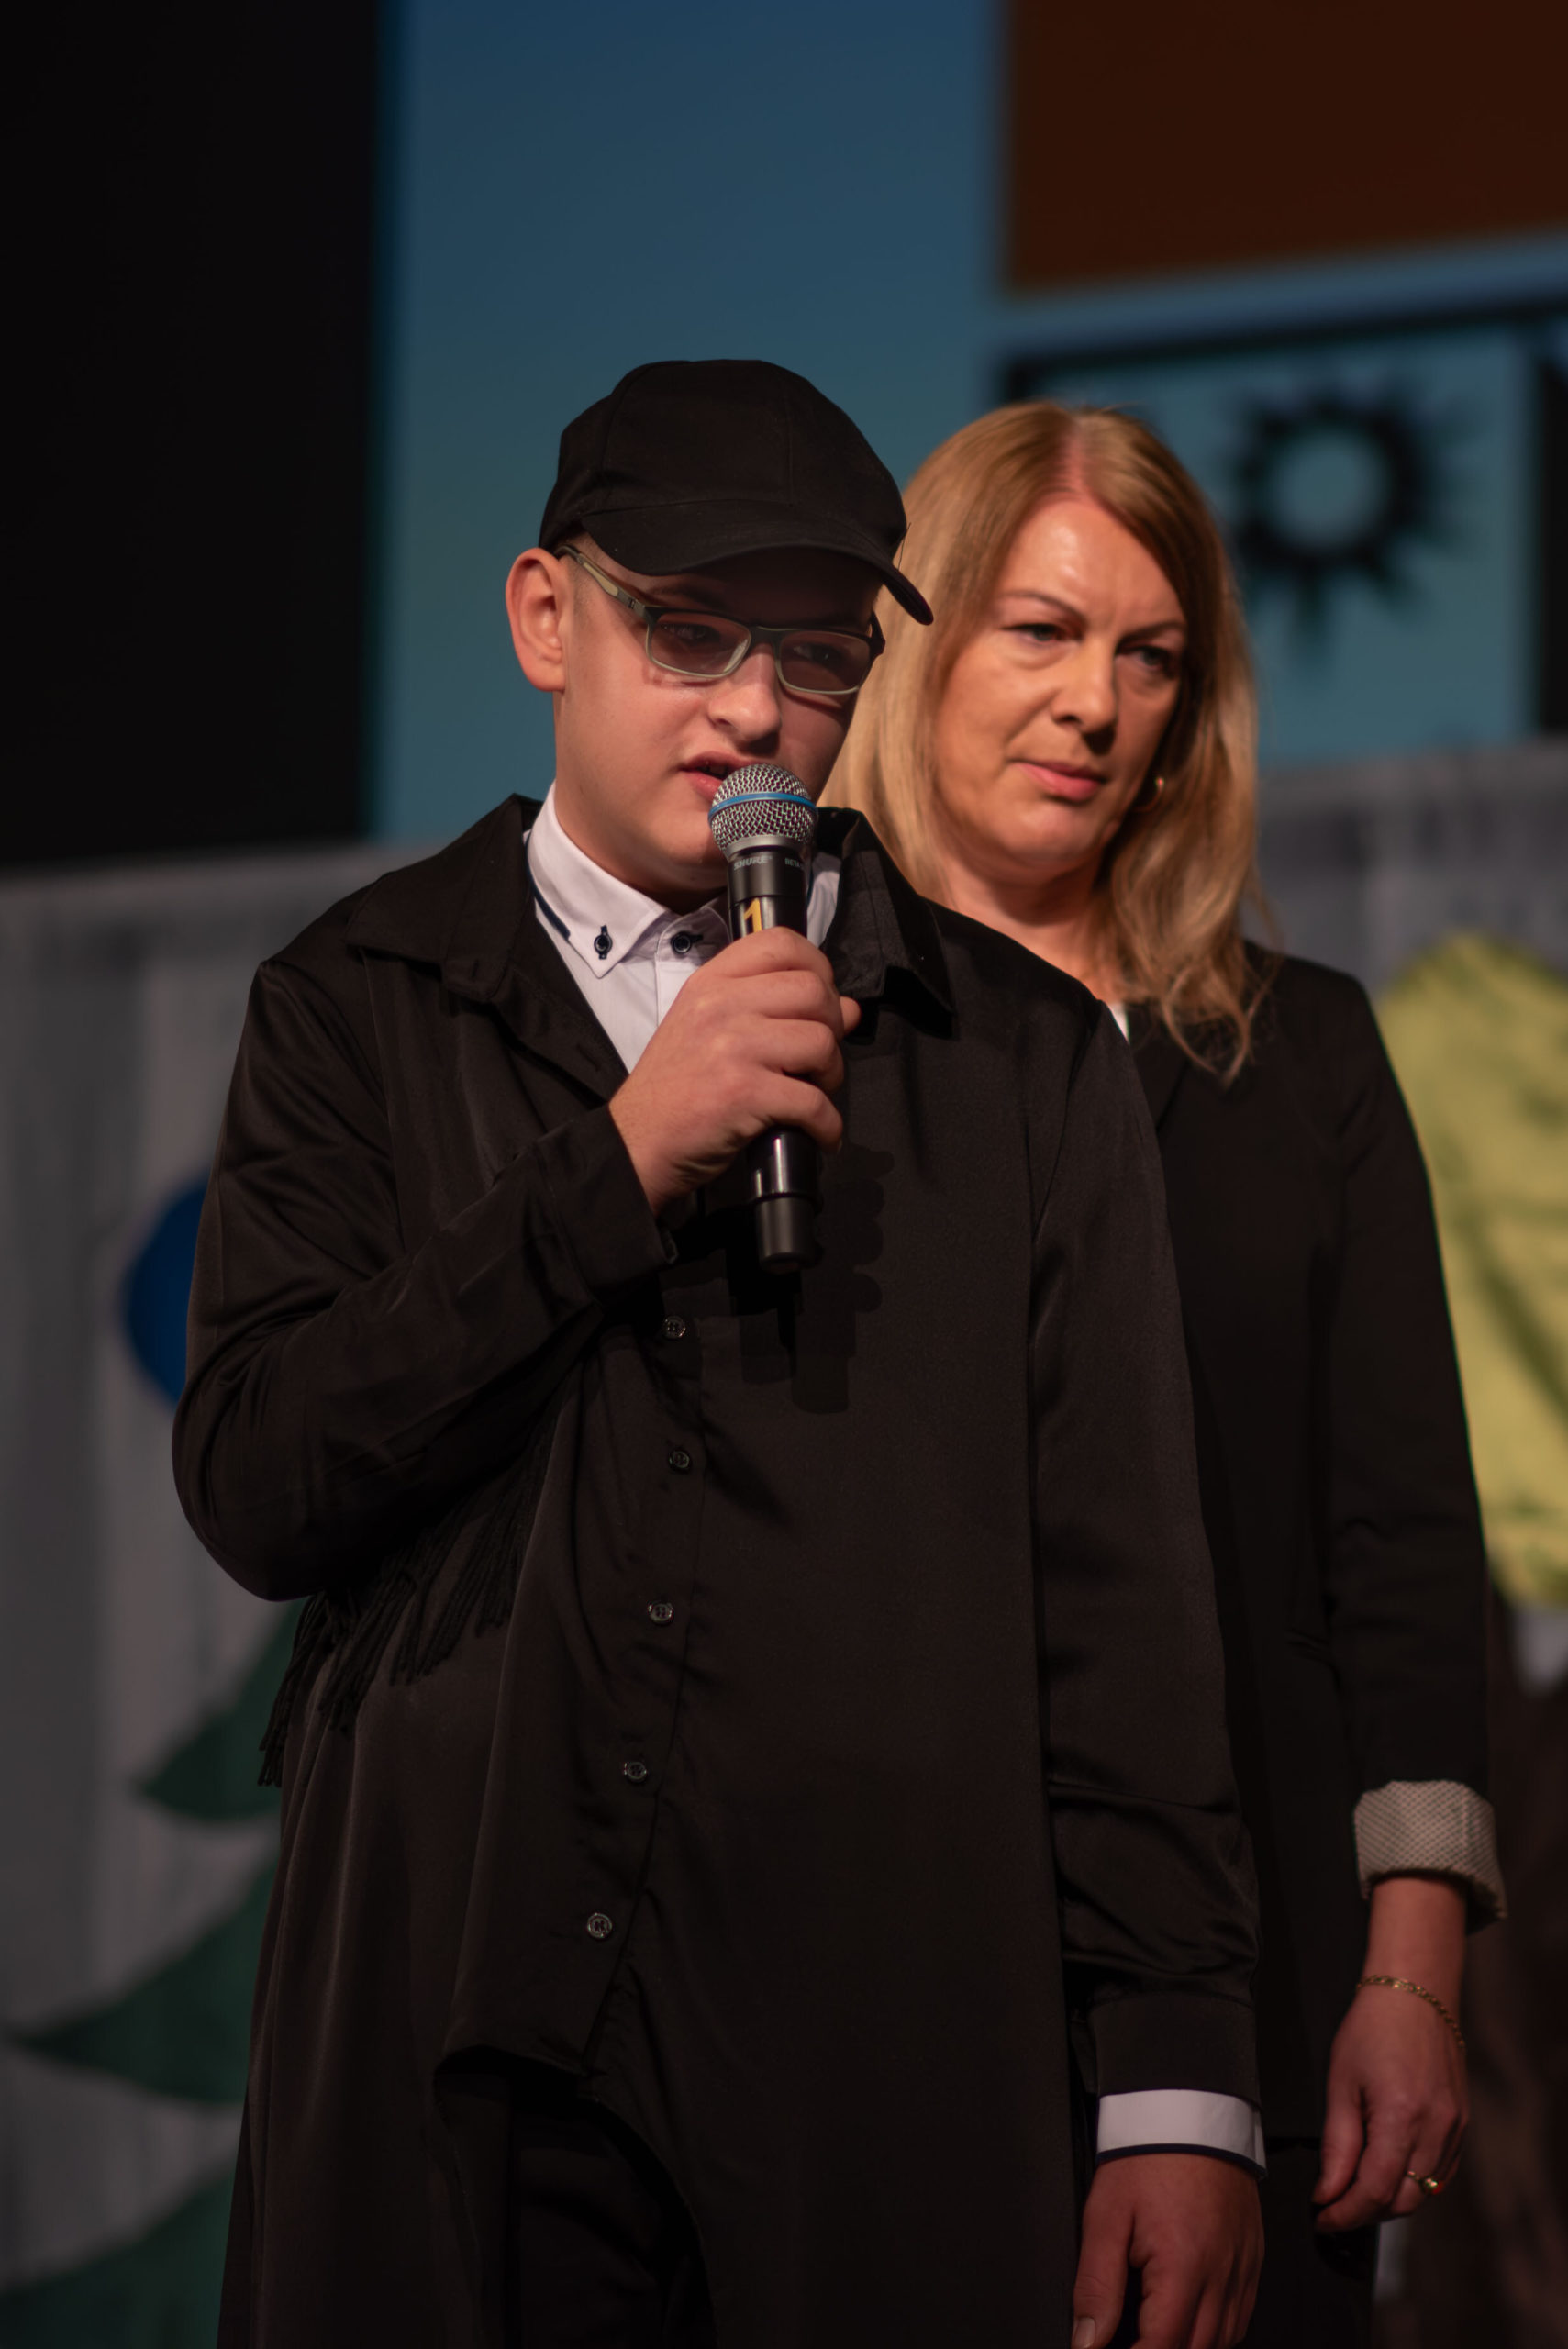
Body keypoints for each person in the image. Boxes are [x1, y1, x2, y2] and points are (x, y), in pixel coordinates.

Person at [174, 360, 1264, 2349]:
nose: (757, 711)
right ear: (545, 616)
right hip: (462, 2030)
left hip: (871, 2046)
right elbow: (260, 1477)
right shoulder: (355, 1003)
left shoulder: (1018, 1058)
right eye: (690, 632)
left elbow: (1123, 1600)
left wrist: (1178, 2077)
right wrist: (610, 1169)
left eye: (818, 655)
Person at [833, 398, 1504, 2348]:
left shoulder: (1299, 1058)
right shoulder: (781, 1040)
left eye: (1150, 655)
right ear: (915, 640)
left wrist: (1411, 1971)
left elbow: (1399, 1547)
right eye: (1042, 631)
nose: (1096, 704)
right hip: (864, 2009)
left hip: (1261, 1999)